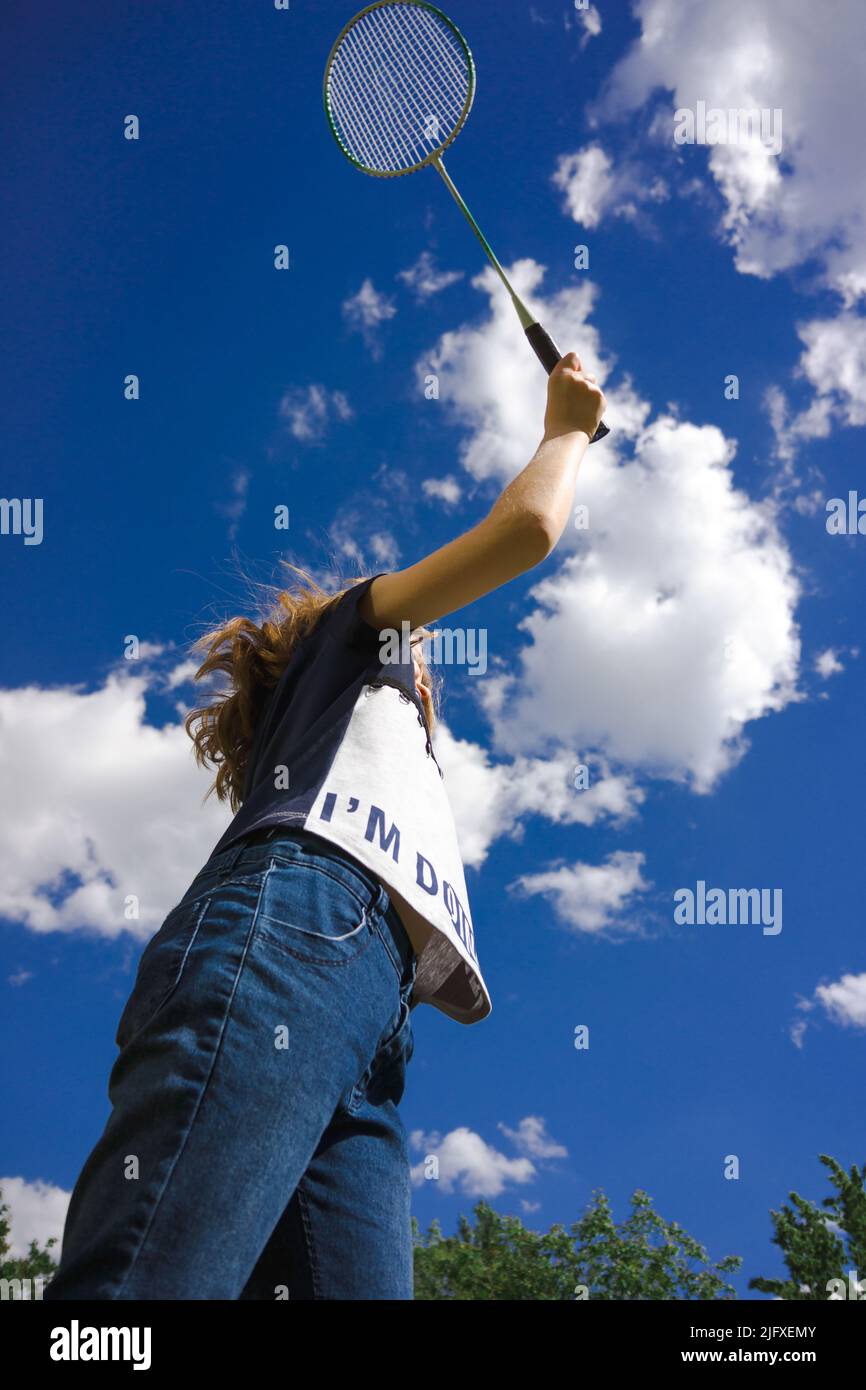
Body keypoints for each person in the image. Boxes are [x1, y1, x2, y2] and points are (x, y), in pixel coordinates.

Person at [45, 354, 605, 1300]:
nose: (432, 674)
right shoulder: (356, 636)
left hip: (373, 1017)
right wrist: (567, 429)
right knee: (143, 1292)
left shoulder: (388, 751)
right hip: (294, 926)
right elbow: (528, 531)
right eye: (424, 656)